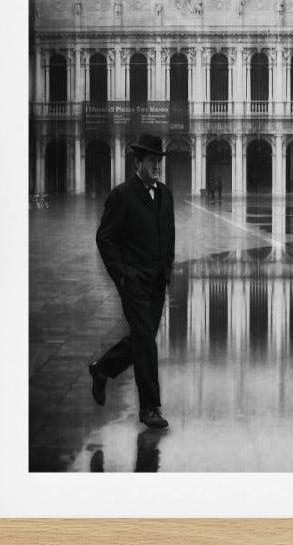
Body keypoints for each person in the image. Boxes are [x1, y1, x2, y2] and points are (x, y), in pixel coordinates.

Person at [88, 133, 175, 429]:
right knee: (146, 344)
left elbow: (168, 234)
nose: (156, 166)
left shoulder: (165, 194)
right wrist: (122, 277)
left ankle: (102, 369)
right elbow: (105, 238)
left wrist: (167, 267)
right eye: (151, 160)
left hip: (156, 283)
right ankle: (150, 407)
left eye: (158, 161)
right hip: (134, 283)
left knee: (142, 339)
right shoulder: (122, 195)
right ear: (138, 162)